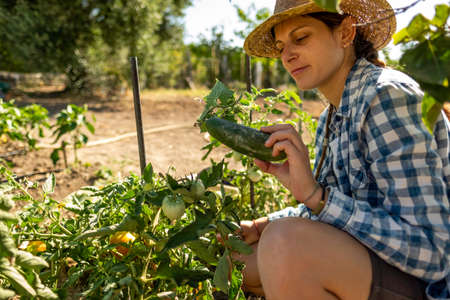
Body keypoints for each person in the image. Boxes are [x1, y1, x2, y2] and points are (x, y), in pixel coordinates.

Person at [234, 0, 450, 299]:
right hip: (377, 264)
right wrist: (263, 224)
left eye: (301, 38)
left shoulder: (385, 97)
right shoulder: (332, 116)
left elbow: (434, 254)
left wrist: (316, 197)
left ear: (346, 33)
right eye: (282, 45)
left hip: (430, 284)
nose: (287, 55)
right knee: (240, 259)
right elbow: (342, 205)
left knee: (285, 244)